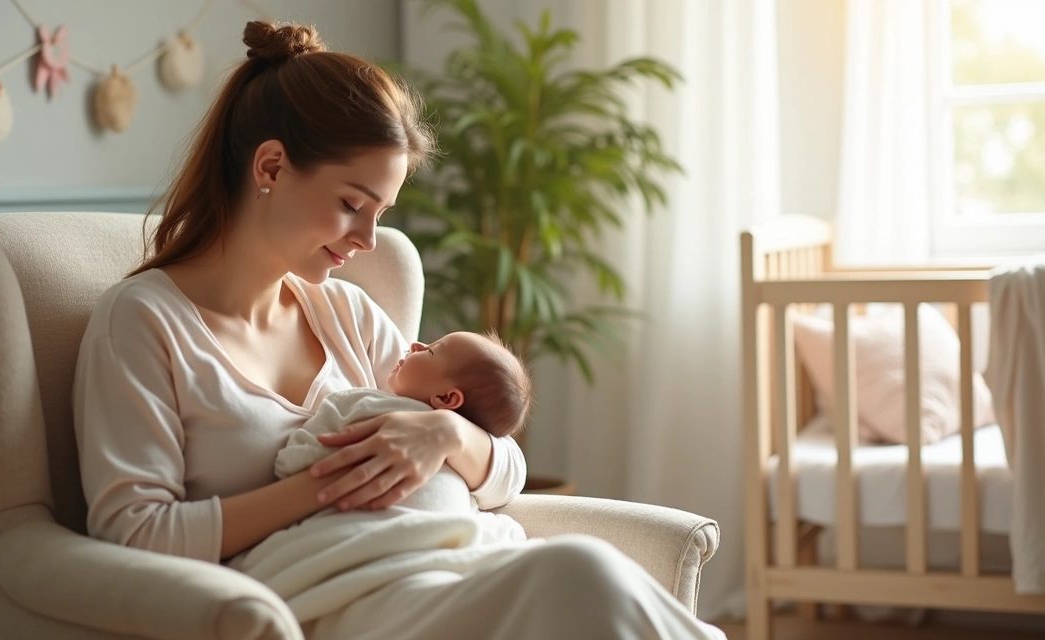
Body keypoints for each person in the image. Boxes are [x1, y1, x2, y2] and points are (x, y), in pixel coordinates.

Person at [72, 18, 726, 640]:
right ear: (270, 168)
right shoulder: (144, 322)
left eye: (379, 212)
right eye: (351, 205)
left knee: (586, 574)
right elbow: (137, 535)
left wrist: (442, 433)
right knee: (580, 574)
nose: (367, 239)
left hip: (441, 573)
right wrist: (329, 484)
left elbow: (506, 473)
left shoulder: (346, 316)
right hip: (326, 603)